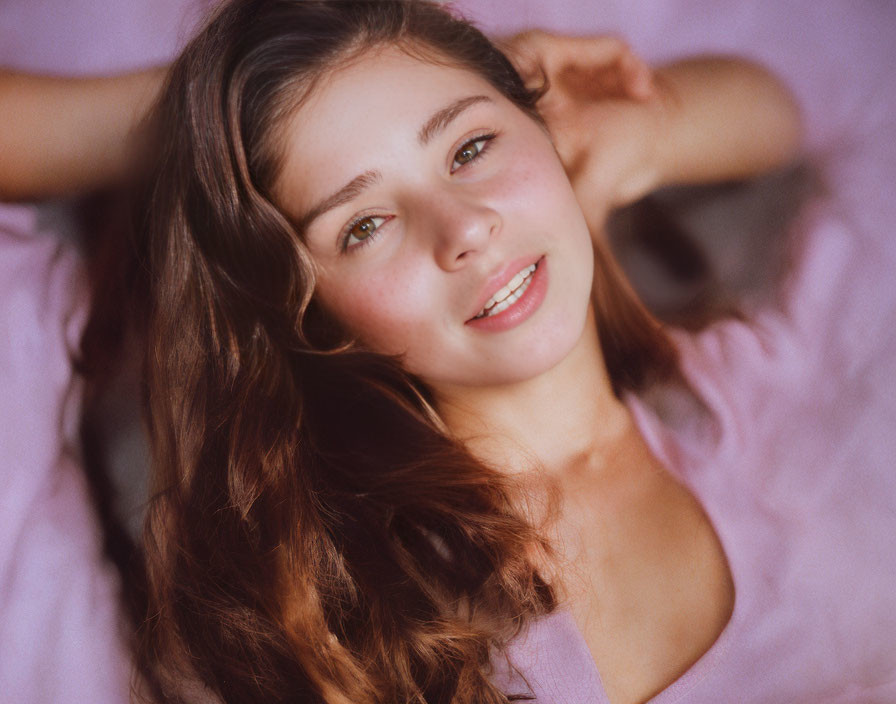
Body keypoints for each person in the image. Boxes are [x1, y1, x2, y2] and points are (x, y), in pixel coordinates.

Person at [127, 1, 896, 703]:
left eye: (472, 148)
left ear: (550, 135)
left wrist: (641, 133)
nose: (463, 230)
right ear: (314, 316)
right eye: (364, 226)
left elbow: (870, 83)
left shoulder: (782, 393)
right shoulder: (317, 619)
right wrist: (195, 135)